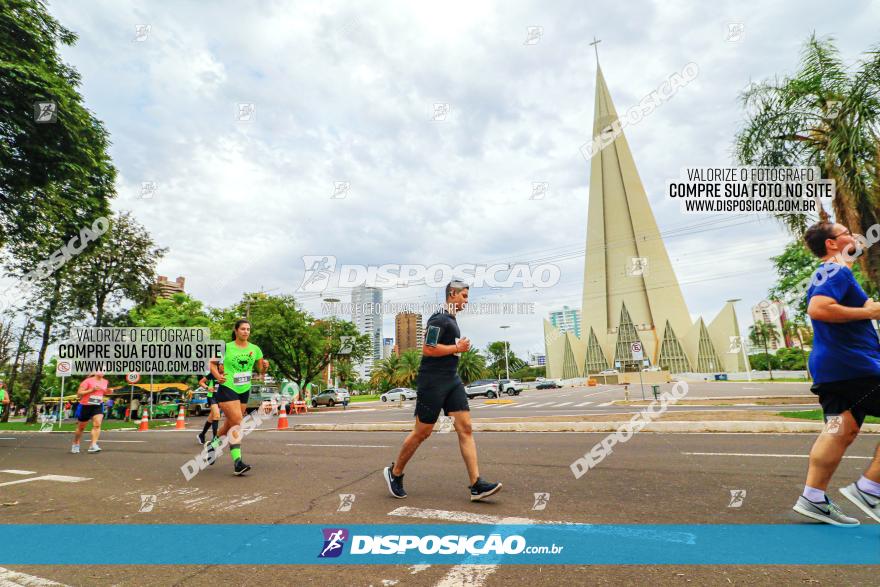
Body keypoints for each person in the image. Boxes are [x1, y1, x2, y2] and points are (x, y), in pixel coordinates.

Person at [792, 222, 880, 525]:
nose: (853, 237)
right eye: (846, 233)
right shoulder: (835, 270)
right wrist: (869, 312)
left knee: (841, 431)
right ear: (832, 243)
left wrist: (867, 308)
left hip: (834, 366)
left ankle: (813, 498)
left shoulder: (834, 272)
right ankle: (871, 489)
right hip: (852, 364)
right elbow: (819, 308)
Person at [383, 280, 502, 501]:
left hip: (452, 380)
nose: (467, 301)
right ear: (452, 294)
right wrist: (457, 348)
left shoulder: (452, 320)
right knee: (423, 432)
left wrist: (457, 350)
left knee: (465, 428)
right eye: (464, 296)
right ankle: (395, 472)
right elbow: (428, 348)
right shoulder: (438, 318)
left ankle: (476, 484)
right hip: (432, 381)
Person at [206, 319, 268, 476]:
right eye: (242, 329)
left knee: (230, 424)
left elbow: (260, 370)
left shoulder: (255, 349)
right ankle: (238, 463)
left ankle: (212, 445)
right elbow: (212, 364)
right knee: (238, 423)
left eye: (248, 329)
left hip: (244, 389)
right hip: (228, 388)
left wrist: (265, 367)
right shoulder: (226, 347)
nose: (246, 331)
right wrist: (217, 376)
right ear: (236, 330)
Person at [71, 370, 110, 454]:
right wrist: (91, 390)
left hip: (98, 404)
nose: (102, 372)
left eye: (104, 370)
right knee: (81, 428)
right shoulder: (87, 381)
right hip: (85, 406)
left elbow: (103, 392)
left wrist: (108, 391)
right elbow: (79, 394)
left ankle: (93, 445)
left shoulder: (105, 381)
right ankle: (76, 443)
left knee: (97, 424)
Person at [196, 365, 222, 444]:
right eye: (221, 365)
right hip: (212, 397)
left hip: (221, 398)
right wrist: (207, 388)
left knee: (212, 418)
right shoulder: (213, 373)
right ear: (218, 366)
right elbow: (201, 382)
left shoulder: (228, 374)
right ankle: (215, 439)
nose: (223, 366)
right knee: (217, 415)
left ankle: (202, 434)